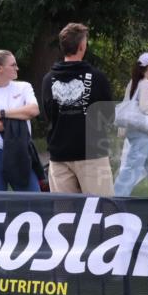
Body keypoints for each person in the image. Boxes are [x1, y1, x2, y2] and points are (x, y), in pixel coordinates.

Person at [40, 22, 114, 195]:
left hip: (60, 154)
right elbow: (108, 116)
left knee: (64, 211)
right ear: (82, 46)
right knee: (100, 207)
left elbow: (48, 115)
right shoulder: (97, 77)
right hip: (92, 154)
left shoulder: (48, 79)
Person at [0, 50, 41, 191]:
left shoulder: (24, 87)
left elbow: (34, 110)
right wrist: (20, 119)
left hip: (20, 150)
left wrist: (2, 113)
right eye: (13, 65)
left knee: (34, 199)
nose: (17, 68)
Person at [113, 52, 148, 196]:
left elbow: (126, 104)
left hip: (134, 130)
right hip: (141, 131)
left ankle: (117, 197)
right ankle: (117, 199)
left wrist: (122, 128)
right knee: (131, 168)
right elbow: (145, 107)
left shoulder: (133, 82)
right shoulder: (146, 83)